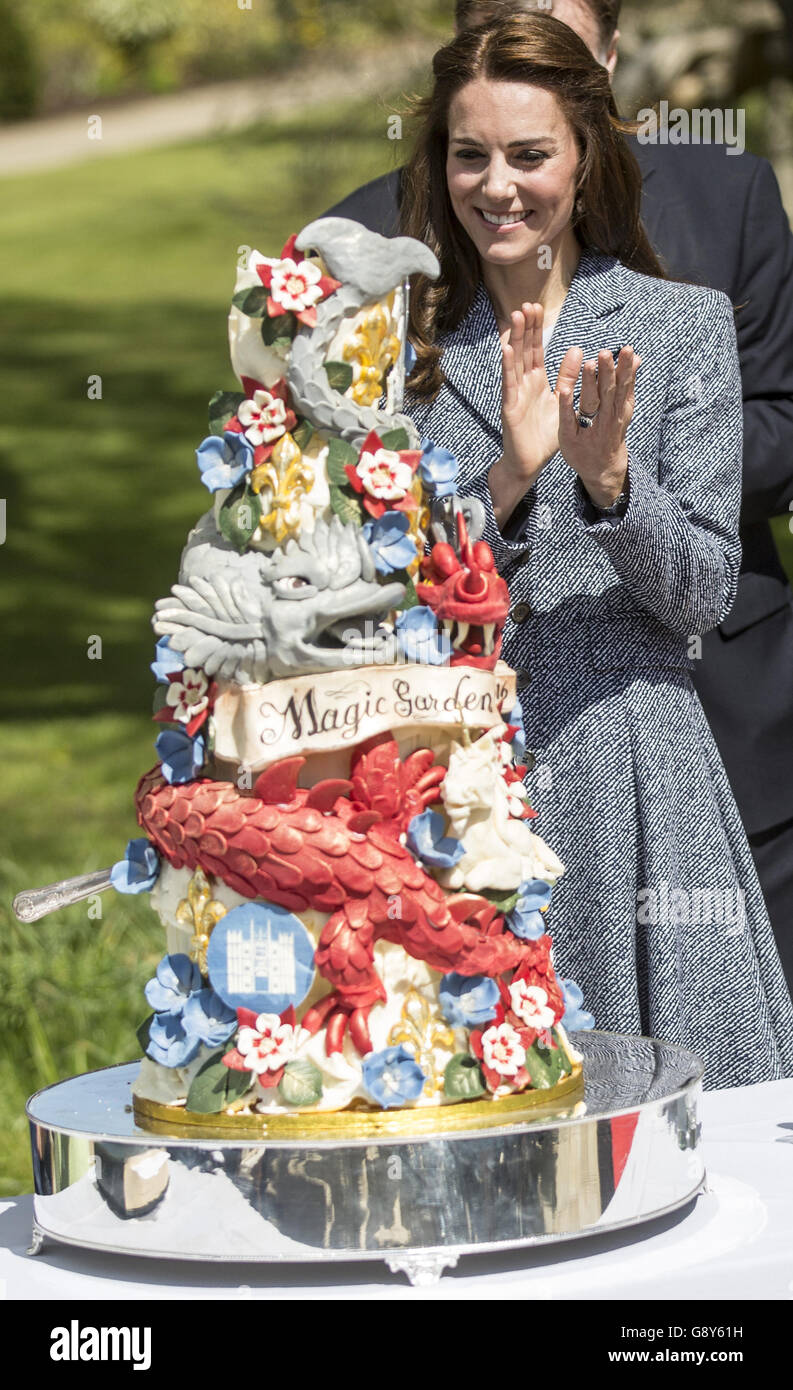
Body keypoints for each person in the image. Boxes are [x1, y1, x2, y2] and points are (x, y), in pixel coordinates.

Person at [325, 0, 793, 996]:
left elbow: (705, 591)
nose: (496, 187)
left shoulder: (681, 326)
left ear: (586, 156)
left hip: (642, 798)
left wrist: (611, 483)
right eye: (468, 156)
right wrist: (504, 481)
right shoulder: (386, 350)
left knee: (684, 1137)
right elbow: (364, 596)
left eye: (528, 155)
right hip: (450, 800)